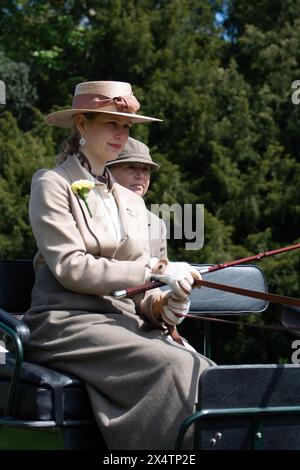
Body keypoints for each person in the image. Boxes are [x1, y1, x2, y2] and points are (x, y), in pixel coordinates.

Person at [23, 80, 214, 450]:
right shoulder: (52, 184)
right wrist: (154, 272)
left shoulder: (131, 200)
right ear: (81, 124)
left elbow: (138, 291)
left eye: (126, 127)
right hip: (67, 322)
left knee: (203, 370)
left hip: (123, 321)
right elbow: (71, 267)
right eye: (112, 123)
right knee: (172, 366)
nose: (122, 134)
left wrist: (165, 303)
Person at [106, 136, 198, 352]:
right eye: (131, 168)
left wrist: (165, 305)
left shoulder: (156, 225)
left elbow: (154, 289)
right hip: (108, 317)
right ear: (108, 171)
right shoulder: (98, 213)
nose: (141, 175)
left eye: (146, 170)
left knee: (202, 366)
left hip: (145, 324)